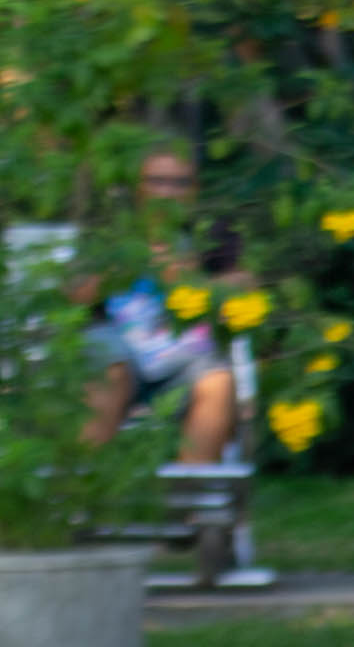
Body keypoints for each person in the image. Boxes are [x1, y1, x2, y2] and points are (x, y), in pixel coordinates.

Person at [77, 142, 245, 469]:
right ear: (137, 187)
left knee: (218, 382)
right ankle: (85, 486)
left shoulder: (209, 230)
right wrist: (119, 268)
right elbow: (73, 292)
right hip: (117, 345)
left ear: (194, 189)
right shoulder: (112, 229)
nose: (167, 193)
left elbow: (244, 282)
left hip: (188, 352)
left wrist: (193, 281)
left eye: (179, 183)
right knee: (108, 369)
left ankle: (194, 493)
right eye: (156, 181)